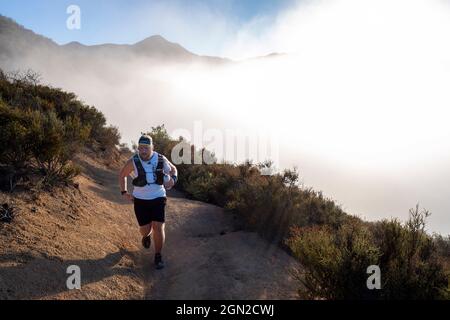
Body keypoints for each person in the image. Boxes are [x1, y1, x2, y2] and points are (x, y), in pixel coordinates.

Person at [119, 134, 178, 269]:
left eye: (146, 148)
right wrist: (124, 192)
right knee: (145, 230)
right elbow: (122, 175)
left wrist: (173, 180)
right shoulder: (133, 161)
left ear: (152, 147)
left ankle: (158, 256)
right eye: (140, 148)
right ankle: (146, 235)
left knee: (158, 226)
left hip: (158, 197)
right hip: (140, 200)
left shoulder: (161, 159)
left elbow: (174, 169)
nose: (143, 151)